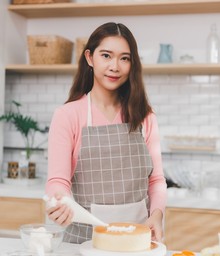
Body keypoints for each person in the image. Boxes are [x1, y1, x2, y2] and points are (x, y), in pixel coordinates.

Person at [45, 22, 167, 244]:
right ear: (90, 58)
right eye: (106, 56)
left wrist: (157, 214)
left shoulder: (145, 116)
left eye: (124, 58)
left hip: (137, 242)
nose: (115, 66)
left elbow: (156, 180)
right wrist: (60, 201)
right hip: (83, 243)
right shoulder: (68, 115)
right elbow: (57, 180)